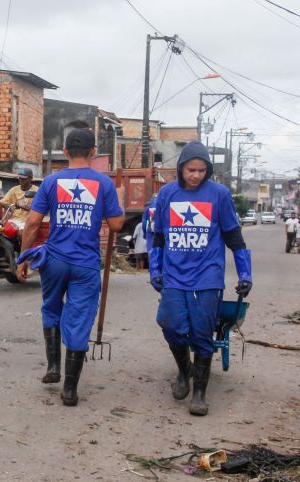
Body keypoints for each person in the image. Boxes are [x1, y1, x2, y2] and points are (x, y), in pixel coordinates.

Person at [16, 128, 125, 406]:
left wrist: (25, 257)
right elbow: (115, 225)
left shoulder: (51, 182)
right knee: (78, 320)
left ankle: (53, 367)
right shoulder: (104, 184)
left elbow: (31, 224)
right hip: (85, 264)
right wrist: (118, 201)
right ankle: (70, 389)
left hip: (54, 260)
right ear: (93, 152)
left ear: (65, 152)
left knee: (51, 308)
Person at [149, 141, 252, 416]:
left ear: (208, 171)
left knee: (202, 334)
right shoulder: (167, 194)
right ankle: (185, 372)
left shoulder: (219, 194)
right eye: (190, 170)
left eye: (201, 170)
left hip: (208, 277)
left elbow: (234, 237)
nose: (195, 175)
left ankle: (199, 394)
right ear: (181, 168)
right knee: (170, 326)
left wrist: (245, 273)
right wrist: (155, 269)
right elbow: (158, 236)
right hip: (173, 275)